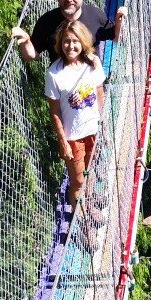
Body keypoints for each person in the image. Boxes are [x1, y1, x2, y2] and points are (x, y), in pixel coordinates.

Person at [45, 20, 106, 208]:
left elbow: (99, 93)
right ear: (60, 43)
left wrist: (104, 128)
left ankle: (88, 201)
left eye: (75, 41)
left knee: (90, 169)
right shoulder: (54, 74)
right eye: (66, 41)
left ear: (83, 42)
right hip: (73, 136)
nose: (71, 46)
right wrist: (63, 141)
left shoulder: (93, 63)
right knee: (78, 180)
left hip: (94, 130)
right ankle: (82, 222)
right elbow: (54, 110)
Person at [11, 0, 126, 61]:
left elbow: (116, 37)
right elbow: (31, 56)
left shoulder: (95, 15)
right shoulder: (46, 21)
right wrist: (26, 40)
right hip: (62, 86)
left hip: (92, 84)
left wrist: (119, 21)